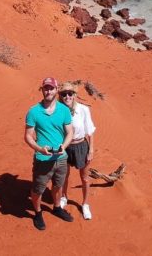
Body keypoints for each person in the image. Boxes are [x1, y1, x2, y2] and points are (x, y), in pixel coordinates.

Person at [24, 76, 75, 230]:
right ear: (42, 90)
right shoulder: (33, 111)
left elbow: (70, 132)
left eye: (51, 88)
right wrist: (39, 149)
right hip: (42, 159)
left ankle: (57, 207)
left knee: (58, 186)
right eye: (46, 88)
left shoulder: (64, 110)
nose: (48, 91)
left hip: (61, 158)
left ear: (56, 89)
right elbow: (27, 136)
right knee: (38, 188)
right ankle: (38, 213)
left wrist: (63, 147)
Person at [58, 81, 96, 220]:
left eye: (70, 93)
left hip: (81, 146)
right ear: (60, 96)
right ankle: (63, 197)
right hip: (65, 147)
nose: (67, 96)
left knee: (85, 178)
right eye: (64, 94)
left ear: (74, 95)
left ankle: (85, 204)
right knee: (64, 176)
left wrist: (91, 150)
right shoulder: (58, 110)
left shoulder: (83, 109)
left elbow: (90, 131)